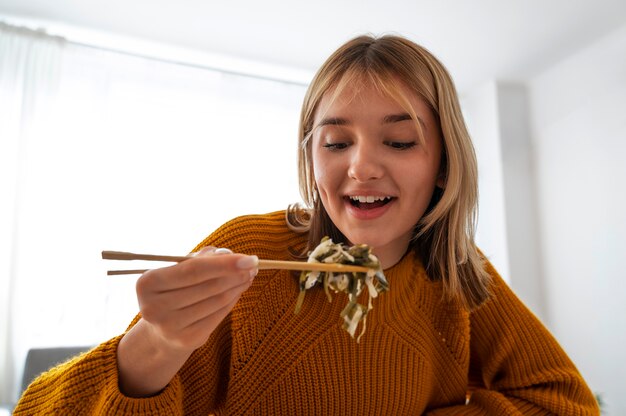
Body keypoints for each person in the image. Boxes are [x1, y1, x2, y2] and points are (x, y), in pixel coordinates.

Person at [14, 34, 599, 415]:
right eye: (336, 141)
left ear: (445, 163)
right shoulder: (249, 256)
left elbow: (567, 402)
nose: (361, 165)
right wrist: (156, 346)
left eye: (398, 140)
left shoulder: (456, 274)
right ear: (311, 159)